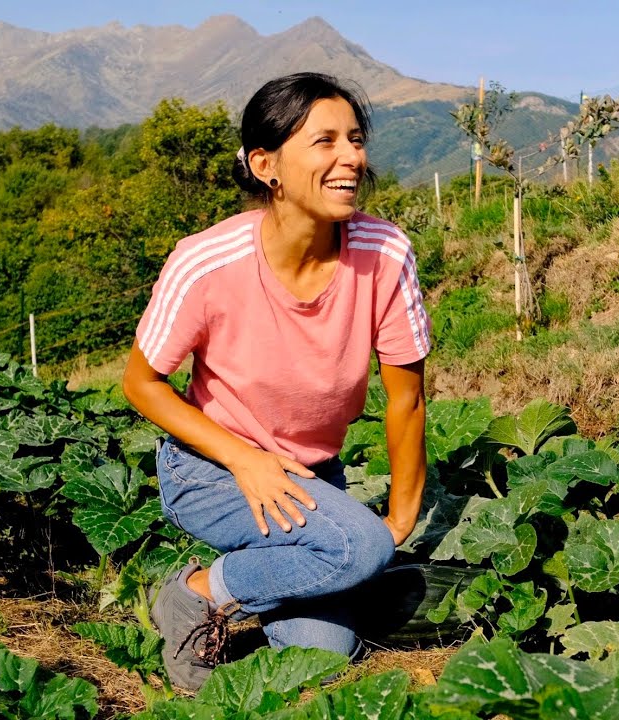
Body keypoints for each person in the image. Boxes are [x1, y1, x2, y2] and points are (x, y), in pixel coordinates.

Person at [122, 72, 429, 691]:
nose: (351, 157)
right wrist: (245, 459)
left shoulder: (385, 253)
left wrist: (397, 522)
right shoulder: (206, 262)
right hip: (212, 470)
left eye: (356, 138)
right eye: (325, 141)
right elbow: (140, 383)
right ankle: (196, 593)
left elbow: (408, 397)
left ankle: (259, 574)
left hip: (312, 473)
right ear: (268, 166)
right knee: (355, 552)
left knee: (325, 650)